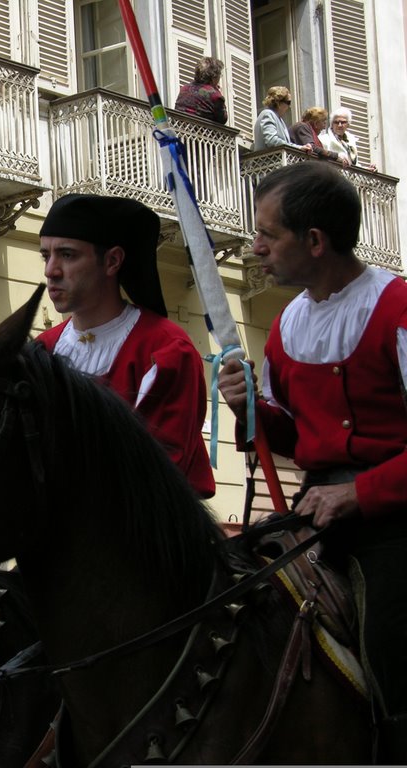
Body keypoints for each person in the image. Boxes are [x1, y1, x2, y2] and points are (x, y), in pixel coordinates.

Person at [217, 162, 407, 762]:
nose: (256, 248)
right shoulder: (286, 326)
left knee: (393, 646)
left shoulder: (398, 307)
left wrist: (358, 495)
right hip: (313, 517)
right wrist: (249, 410)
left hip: (393, 519)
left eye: (268, 234)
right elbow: (294, 438)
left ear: (316, 242)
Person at [36, 194, 215, 499]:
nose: (51, 271)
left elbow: (159, 468)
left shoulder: (165, 350)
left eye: (67, 255)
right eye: (46, 256)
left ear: (112, 261)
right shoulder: (42, 350)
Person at [253, 86, 313, 153]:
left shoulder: (278, 118)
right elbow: (272, 141)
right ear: (278, 102)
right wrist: (299, 148)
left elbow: (285, 143)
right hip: (267, 161)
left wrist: (300, 148)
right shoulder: (268, 114)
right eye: (288, 102)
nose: (289, 106)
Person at [319, 107, 378, 172]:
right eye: (336, 122)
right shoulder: (323, 139)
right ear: (332, 124)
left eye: (343, 122)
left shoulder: (351, 141)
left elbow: (354, 165)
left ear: (348, 124)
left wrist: (367, 170)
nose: (339, 125)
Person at [173, 56, 228, 124]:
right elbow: (223, 119)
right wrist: (218, 92)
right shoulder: (215, 95)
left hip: (180, 130)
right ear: (213, 77)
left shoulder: (184, 88)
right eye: (219, 75)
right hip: (201, 132)